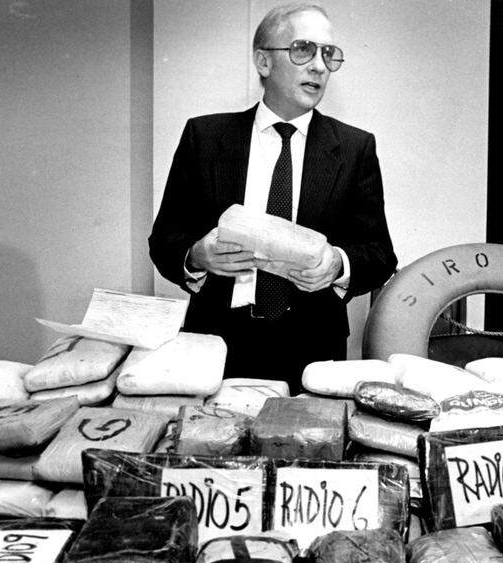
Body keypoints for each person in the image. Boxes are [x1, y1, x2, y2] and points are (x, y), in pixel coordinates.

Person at [150, 3, 397, 393]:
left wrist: (337, 264)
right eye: (303, 49)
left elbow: (381, 254)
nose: (319, 66)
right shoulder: (205, 137)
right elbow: (164, 240)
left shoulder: (354, 148)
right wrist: (197, 255)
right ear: (263, 61)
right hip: (216, 344)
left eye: (328, 54)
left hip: (313, 351)